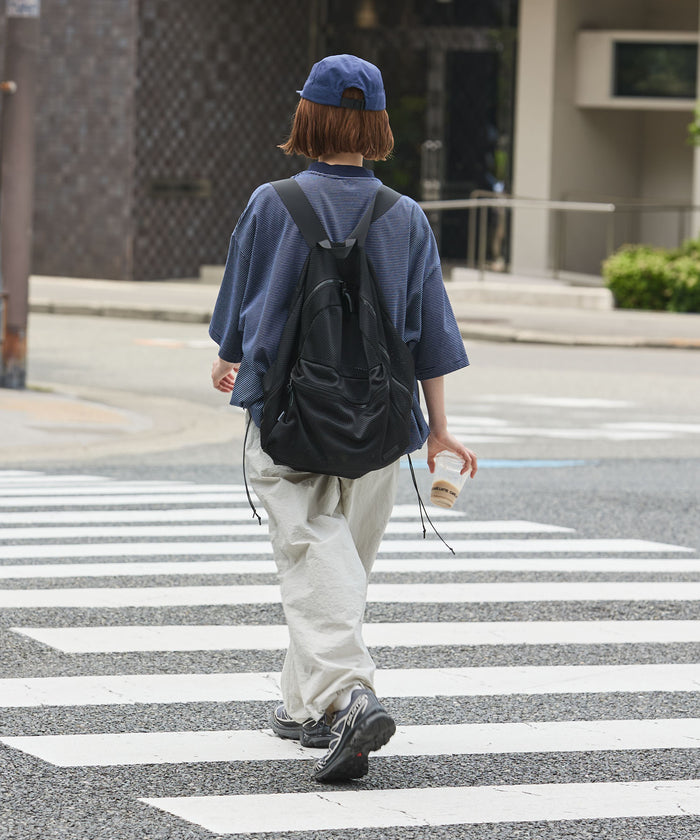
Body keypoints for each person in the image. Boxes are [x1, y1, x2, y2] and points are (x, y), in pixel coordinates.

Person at [210, 54, 477, 783]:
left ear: (308, 115)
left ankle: (351, 695)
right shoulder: (406, 217)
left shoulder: (272, 203)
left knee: (312, 555)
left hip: (289, 417)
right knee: (341, 567)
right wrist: (438, 428)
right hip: (380, 425)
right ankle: (307, 708)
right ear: (378, 124)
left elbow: (237, 314)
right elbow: (429, 332)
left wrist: (228, 360)